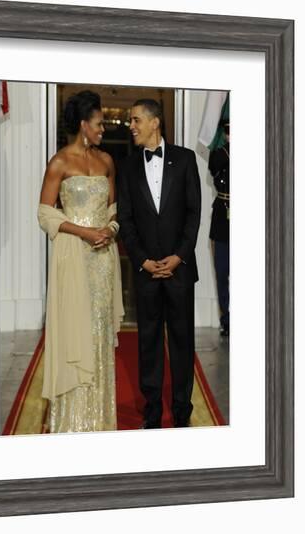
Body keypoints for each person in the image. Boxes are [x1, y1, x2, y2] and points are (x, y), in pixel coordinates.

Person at [37, 90, 124, 433]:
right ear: (84, 124)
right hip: (73, 257)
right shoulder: (59, 162)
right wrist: (84, 233)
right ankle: (72, 422)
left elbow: (114, 209)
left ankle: (99, 419)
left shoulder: (106, 162)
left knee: (99, 330)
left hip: (103, 260)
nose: (104, 129)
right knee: (76, 330)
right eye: (100, 123)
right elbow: (45, 213)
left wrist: (111, 229)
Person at [117, 98, 201, 429]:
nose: (132, 126)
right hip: (146, 272)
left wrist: (178, 257)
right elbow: (126, 219)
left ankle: (182, 412)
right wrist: (143, 261)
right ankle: (151, 412)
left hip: (180, 270)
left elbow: (194, 213)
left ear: (155, 123)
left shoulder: (185, 159)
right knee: (148, 343)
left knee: (182, 342)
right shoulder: (127, 166)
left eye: (136, 119)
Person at [209, 120, 230, 337]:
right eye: (228, 131)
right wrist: (230, 147)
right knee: (222, 271)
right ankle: (227, 319)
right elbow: (214, 165)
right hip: (223, 216)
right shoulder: (220, 154)